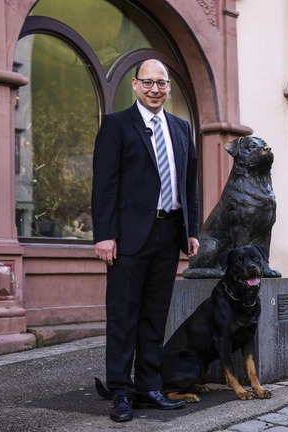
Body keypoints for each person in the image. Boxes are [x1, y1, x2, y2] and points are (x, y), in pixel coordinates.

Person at [91, 59, 200, 422]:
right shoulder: (117, 126)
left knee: (155, 315)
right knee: (124, 315)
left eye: (162, 83)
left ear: (169, 87)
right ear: (135, 85)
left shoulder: (182, 129)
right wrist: (104, 235)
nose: (155, 89)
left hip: (169, 233)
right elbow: (104, 185)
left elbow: (189, 185)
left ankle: (149, 386)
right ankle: (121, 390)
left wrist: (191, 230)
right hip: (128, 237)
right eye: (148, 82)